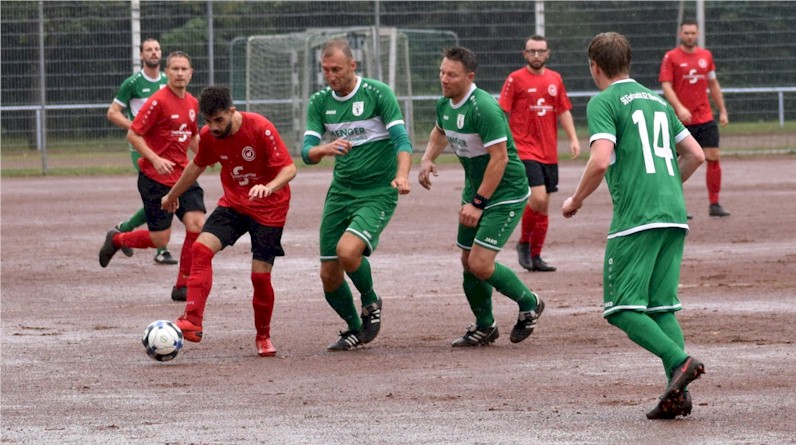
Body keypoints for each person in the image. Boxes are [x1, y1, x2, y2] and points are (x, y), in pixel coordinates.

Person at [562, 32, 706, 419]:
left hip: (637, 219)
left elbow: (599, 160)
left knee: (620, 309)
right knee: (661, 307)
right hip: (674, 214)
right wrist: (667, 186)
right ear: (628, 62)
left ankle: (680, 361)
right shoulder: (657, 101)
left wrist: (575, 200)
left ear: (595, 66)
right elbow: (694, 155)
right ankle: (677, 393)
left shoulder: (604, 101)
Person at [418, 46, 544, 348]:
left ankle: (530, 302)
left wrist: (478, 203)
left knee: (480, 263)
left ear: (469, 76)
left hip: (505, 192)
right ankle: (485, 325)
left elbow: (499, 159)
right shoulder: (445, 104)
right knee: (467, 260)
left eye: (452, 74)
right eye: (442, 72)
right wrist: (426, 158)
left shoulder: (483, 107)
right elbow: (440, 132)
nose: (444, 79)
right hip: (476, 190)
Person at [164, 86, 297, 357]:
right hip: (235, 204)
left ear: (232, 112)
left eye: (219, 120)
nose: (213, 127)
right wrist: (172, 194)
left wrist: (269, 187)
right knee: (200, 248)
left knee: (259, 277)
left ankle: (263, 335)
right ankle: (193, 321)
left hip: (270, 209)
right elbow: (196, 165)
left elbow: (289, 168)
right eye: (208, 121)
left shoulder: (260, 127)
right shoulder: (209, 135)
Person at [301, 39, 412, 351]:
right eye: (325, 70)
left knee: (348, 252)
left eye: (336, 68)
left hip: (378, 191)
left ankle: (370, 300)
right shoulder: (320, 102)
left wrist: (402, 175)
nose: (330, 75)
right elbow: (307, 152)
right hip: (340, 192)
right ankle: (353, 329)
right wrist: (323, 148)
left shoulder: (377, 93)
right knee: (328, 273)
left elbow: (402, 140)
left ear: (353, 66)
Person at [98, 51, 205, 303]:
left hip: (183, 176)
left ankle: (183, 284)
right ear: (167, 72)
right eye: (175, 69)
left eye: (184, 69)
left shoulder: (192, 102)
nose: (180, 73)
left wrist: (211, 157)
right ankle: (118, 238)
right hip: (155, 178)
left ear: (191, 73)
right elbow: (133, 135)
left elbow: (191, 136)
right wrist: (156, 159)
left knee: (196, 224)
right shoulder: (158, 101)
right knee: (161, 238)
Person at [499, 34, 580, 272]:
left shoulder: (556, 79)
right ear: (525, 54)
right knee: (538, 198)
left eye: (540, 51)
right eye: (531, 51)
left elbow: (563, 110)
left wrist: (574, 138)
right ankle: (523, 244)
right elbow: (501, 111)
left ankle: (536, 257)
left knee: (544, 207)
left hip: (549, 152)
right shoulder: (515, 79)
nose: (536, 55)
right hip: (524, 149)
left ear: (548, 53)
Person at [106, 38, 178, 265]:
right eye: (149, 49)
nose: (154, 52)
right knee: (160, 191)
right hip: (142, 147)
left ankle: (123, 230)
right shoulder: (133, 82)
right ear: (141, 55)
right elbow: (113, 112)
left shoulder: (170, 81)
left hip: (165, 146)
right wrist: (136, 127)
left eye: (157, 49)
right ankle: (161, 249)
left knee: (162, 195)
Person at [660, 18, 730, 217]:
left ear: (697, 34)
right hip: (680, 120)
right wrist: (679, 107)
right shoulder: (671, 57)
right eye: (686, 33)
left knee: (713, 156)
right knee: (675, 161)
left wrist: (722, 109)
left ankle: (714, 205)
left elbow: (713, 84)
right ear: (680, 34)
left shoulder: (706, 56)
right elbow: (666, 85)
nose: (690, 36)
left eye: (693, 33)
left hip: (705, 117)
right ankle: (675, 204)